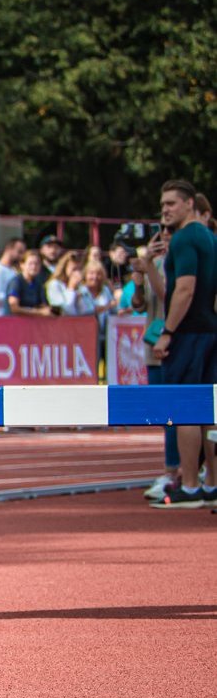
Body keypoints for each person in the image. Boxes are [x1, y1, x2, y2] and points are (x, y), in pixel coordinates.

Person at [140, 179, 217, 507]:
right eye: (163, 204)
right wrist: (147, 268)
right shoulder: (208, 237)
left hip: (187, 335)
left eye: (172, 203)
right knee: (209, 411)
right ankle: (211, 483)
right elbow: (172, 291)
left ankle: (187, 485)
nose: (166, 210)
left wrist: (168, 331)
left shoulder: (185, 238)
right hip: (209, 331)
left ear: (190, 205)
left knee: (185, 409)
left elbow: (184, 289)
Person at [6, 250, 52, 317]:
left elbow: (43, 305)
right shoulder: (16, 282)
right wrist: (39, 312)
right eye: (30, 263)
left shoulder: (38, 283)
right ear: (22, 265)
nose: (34, 267)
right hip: (16, 322)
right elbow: (14, 308)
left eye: (37, 263)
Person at [0, 238, 25, 310]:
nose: (21, 256)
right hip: (1, 315)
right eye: (19, 252)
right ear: (9, 249)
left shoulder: (14, 270)